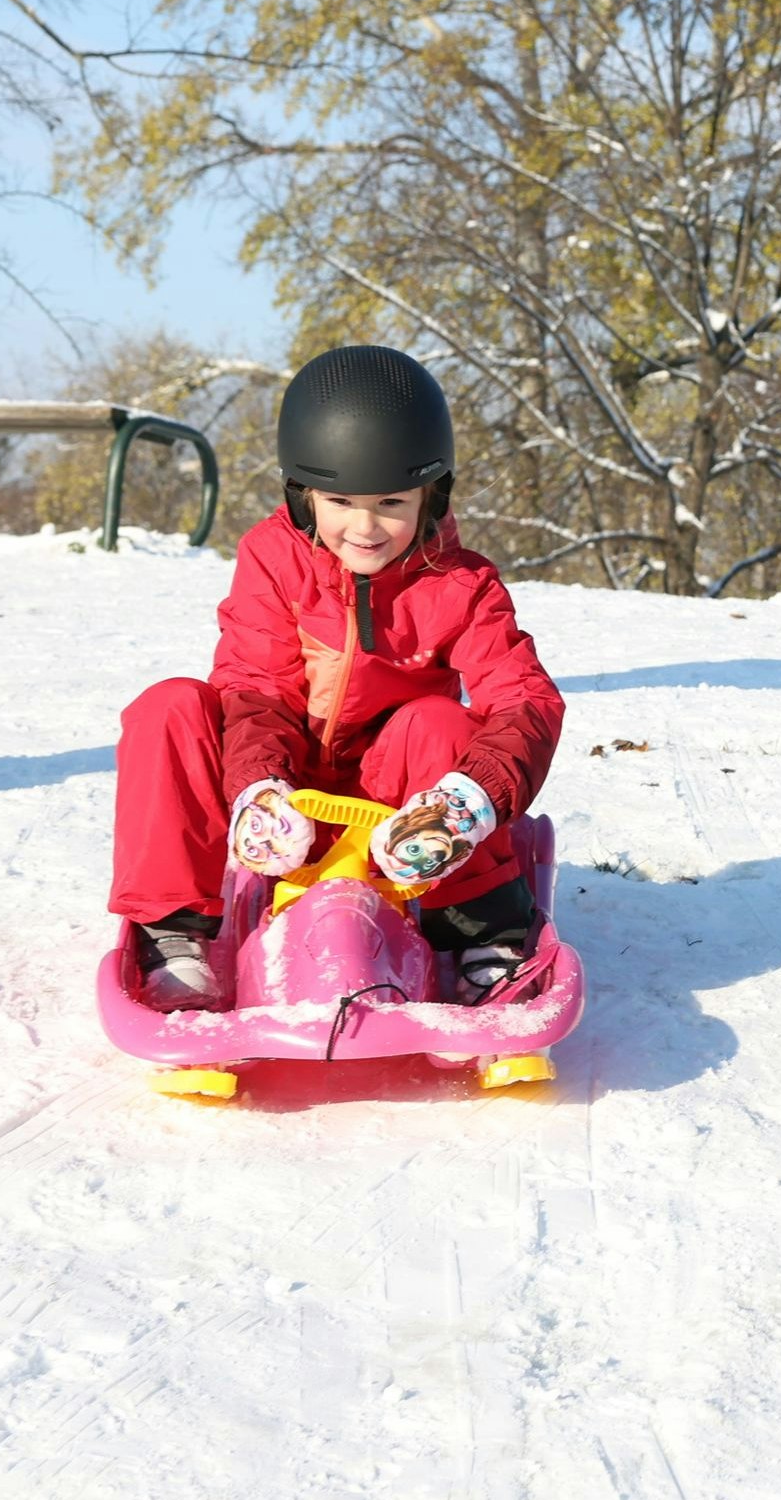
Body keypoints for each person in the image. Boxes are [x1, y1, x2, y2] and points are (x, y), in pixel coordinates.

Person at [109, 346, 565, 1013]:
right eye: (341, 500)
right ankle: (172, 929)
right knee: (170, 707)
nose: (365, 525)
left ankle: (481, 929)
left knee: (437, 723)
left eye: (390, 501)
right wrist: (260, 788)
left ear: (430, 496)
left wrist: (473, 796)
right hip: (284, 806)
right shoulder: (271, 560)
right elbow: (255, 689)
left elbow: (525, 699)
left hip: (400, 819)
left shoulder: (462, 585)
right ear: (304, 495)